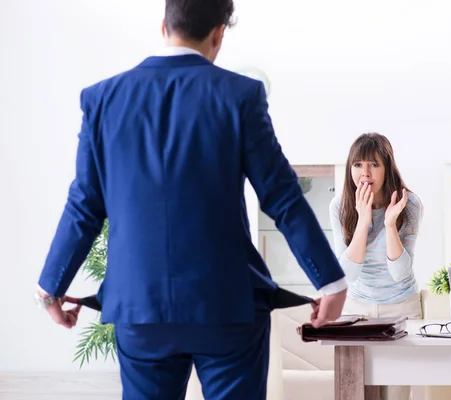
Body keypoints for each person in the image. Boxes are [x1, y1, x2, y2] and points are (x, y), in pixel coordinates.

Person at [33, 0, 347, 398]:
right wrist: (330, 281)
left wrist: (51, 287)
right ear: (219, 34)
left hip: (139, 309)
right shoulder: (240, 96)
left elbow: (85, 205)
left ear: (163, 25)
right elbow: (281, 194)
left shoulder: (102, 100)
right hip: (226, 306)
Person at [329, 132, 423, 400]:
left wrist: (390, 224)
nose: (365, 173)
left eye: (374, 164)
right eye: (358, 165)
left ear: (387, 167)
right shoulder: (340, 207)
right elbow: (348, 274)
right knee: (358, 389)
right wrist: (363, 220)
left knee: (397, 393)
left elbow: (399, 273)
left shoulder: (410, 204)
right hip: (357, 309)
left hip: (402, 307)